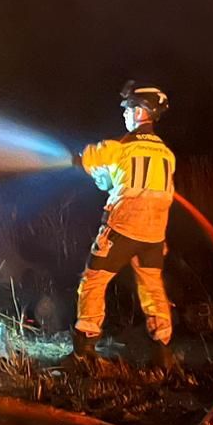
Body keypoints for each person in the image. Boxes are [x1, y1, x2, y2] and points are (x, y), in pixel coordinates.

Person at [69, 82, 177, 367]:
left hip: (123, 230)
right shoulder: (167, 154)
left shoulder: (119, 148)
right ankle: (163, 350)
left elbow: (100, 173)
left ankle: (85, 348)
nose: (125, 115)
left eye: (128, 109)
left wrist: (82, 161)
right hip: (154, 236)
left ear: (141, 112)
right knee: (152, 288)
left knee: (93, 280)